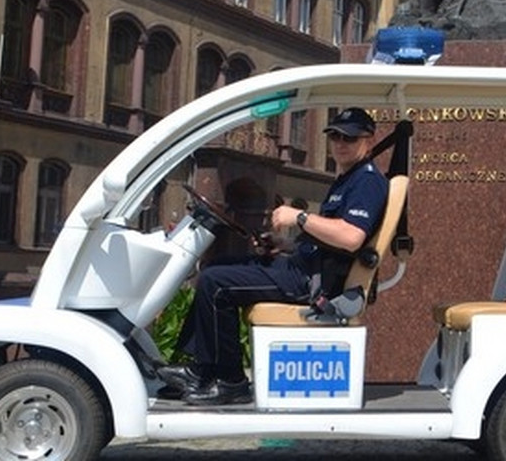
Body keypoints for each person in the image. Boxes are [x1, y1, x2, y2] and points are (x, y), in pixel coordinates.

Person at [157, 108, 389, 405]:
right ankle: (200, 370)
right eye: (335, 136)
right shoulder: (348, 178)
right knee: (216, 265)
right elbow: (330, 237)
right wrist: (286, 244)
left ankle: (229, 381)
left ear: (369, 140)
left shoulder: (367, 182)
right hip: (303, 266)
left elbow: (351, 236)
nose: (341, 143)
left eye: (350, 138)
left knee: (216, 282)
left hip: (313, 283)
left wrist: (300, 217)